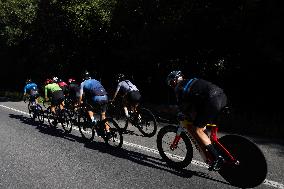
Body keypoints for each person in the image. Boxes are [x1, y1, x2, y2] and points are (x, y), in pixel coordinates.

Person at [166, 70, 227, 171]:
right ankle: (210, 145)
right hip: (222, 96)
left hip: (211, 101)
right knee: (200, 122)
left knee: (197, 129)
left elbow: (183, 109)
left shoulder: (179, 88)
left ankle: (217, 157)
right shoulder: (191, 81)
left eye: (170, 83)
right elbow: (195, 104)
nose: (171, 86)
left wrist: (181, 114)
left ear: (174, 81)